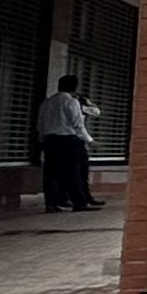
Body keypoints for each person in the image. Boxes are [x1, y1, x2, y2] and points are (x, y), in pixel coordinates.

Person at [36, 77, 99, 212]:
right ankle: (79, 203)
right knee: (72, 172)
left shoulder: (47, 102)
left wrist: (42, 138)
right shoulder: (71, 101)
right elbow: (77, 124)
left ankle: (51, 204)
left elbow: (40, 123)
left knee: (50, 173)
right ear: (74, 87)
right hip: (67, 140)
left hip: (49, 140)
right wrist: (89, 140)